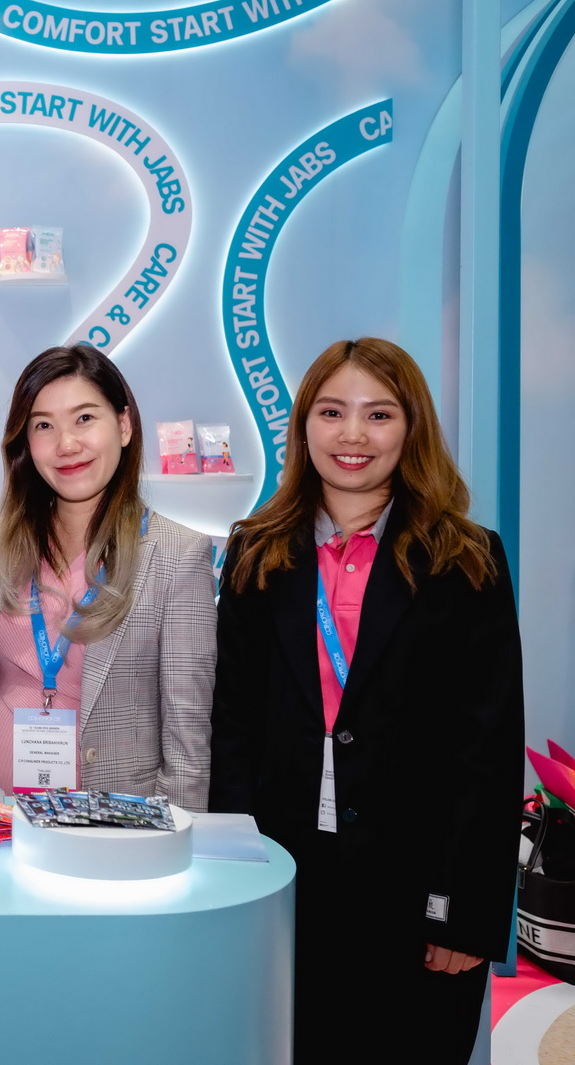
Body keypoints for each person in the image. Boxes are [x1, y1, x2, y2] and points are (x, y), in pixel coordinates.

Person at [210, 337, 522, 1064]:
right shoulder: (256, 551)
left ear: (411, 428)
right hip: (285, 879)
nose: (352, 434)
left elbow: (490, 745)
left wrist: (465, 916)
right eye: (331, 412)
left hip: (417, 893)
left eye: (378, 414)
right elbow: (233, 728)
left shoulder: (466, 558)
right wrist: (235, 872)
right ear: (303, 426)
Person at [0, 343, 213, 808]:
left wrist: (173, 835)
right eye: (44, 425)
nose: (66, 444)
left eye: (85, 418)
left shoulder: (178, 555)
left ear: (124, 425)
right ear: (25, 442)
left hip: (110, 820)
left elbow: (187, 741)